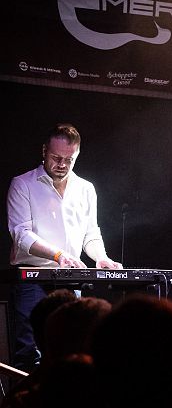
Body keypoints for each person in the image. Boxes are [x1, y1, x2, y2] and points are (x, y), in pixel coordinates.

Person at [6, 123, 122, 373]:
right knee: (29, 353)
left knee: (73, 351)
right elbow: (21, 234)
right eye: (56, 158)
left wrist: (101, 257)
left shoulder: (85, 189)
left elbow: (91, 234)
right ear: (44, 151)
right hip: (33, 277)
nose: (62, 164)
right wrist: (59, 255)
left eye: (69, 160)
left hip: (70, 278)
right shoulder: (23, 184)